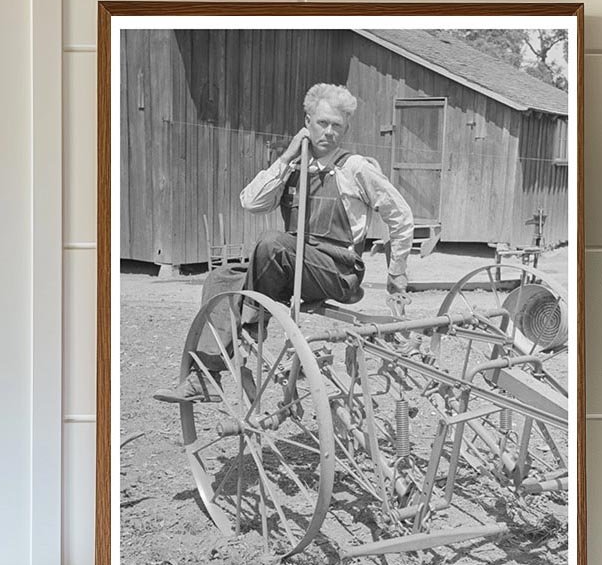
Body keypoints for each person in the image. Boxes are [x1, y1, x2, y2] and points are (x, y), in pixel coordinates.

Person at [155, 82, 415, 403]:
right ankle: (207, 375)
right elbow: (250, 202)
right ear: (307, 123)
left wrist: (397, 275)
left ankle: (250, 327)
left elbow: (400, 215)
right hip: (290, 266)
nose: (329, 132)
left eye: (337, 125)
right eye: (322, 123)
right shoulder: (292, 167)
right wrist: (287, 157)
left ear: (345, 129)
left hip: (336, 271)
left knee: (271, 243)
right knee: (221, 277)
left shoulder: (356, 168)